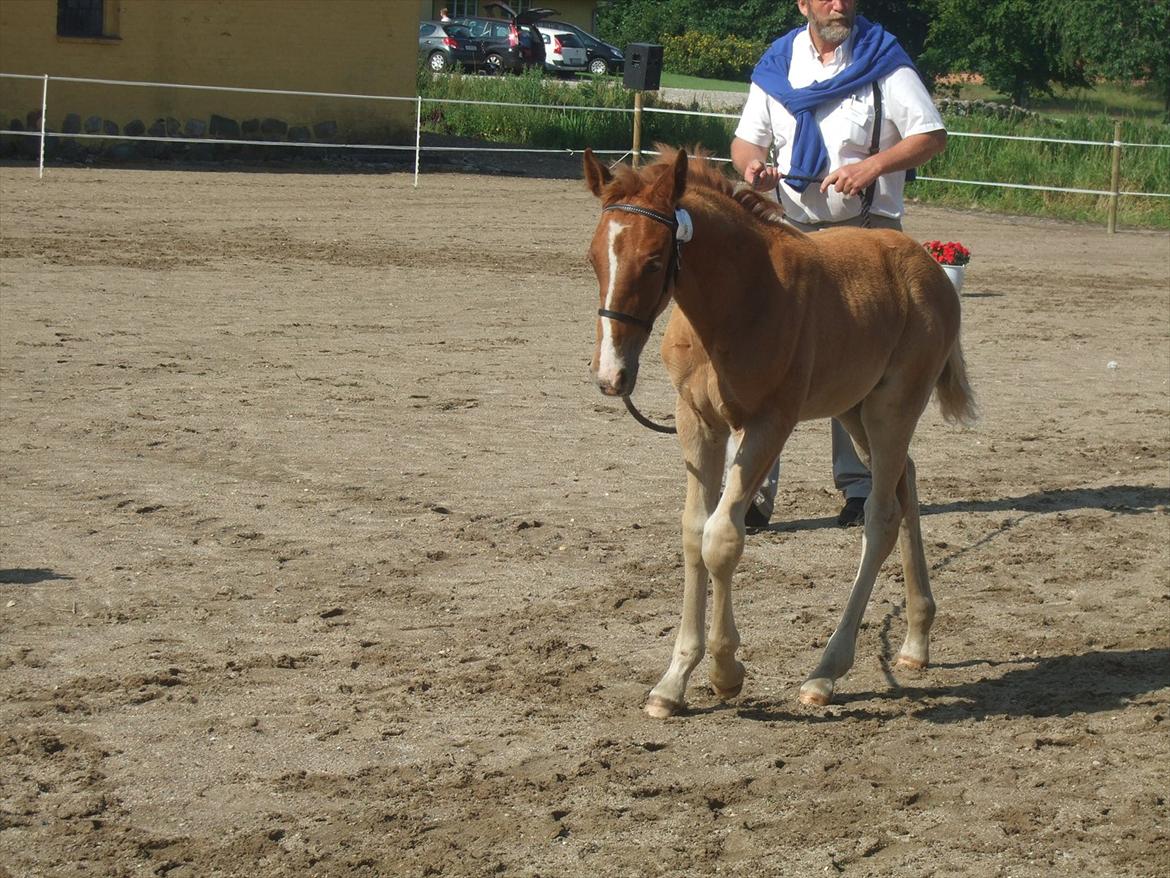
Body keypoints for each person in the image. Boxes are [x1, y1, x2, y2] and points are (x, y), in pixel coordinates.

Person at [730, 0, 947, 529]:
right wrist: (752, 168)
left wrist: (872, 167)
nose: (839, 4)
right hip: (789, 234)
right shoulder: (778, 65)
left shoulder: (883, 60)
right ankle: (752, 495)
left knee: (854, 367)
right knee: (766, 361)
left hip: (865, 241)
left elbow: (931, 134)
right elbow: (744, 141)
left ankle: (864, 487)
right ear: (803, 4)